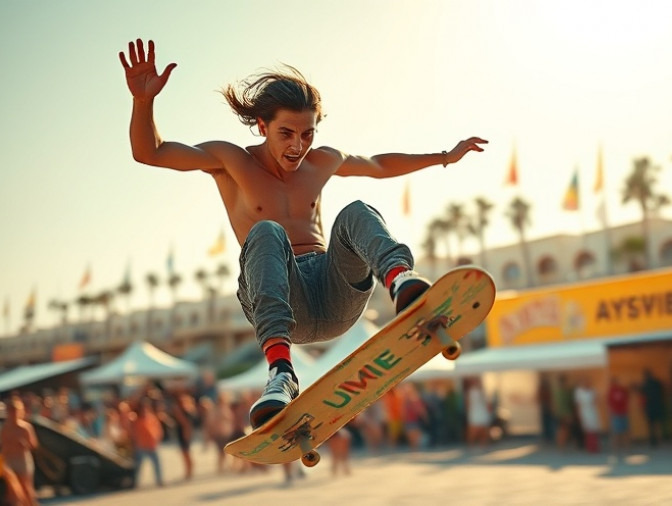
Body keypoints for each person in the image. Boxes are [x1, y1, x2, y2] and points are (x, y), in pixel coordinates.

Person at [118, 39, 486, 429]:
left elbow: (379, 164)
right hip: (279, 301)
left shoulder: (323, 160)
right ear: (262, 126)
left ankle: (401, 283)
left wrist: (445, 156)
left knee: (356, 212)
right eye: (286, 133)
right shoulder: (230, 161)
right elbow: (151, 152)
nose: (298, 146)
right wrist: (143, 103)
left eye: (307, 134)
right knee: (266, 232)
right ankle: (280, 374)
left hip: (334, 295)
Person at [0, 397, 39, 506]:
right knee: (14, 492)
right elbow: (3, 445)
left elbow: (33, 445)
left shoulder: (25, 428)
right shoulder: (5, 428)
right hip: (9, 462)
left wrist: (24, 444)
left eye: (15, 410)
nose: (13, 413)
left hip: (23, 461)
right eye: (11, 410)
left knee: (27, 489)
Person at [573, 378, 602, 453]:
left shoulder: (592, 391)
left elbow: (596, 401)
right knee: (587, 430)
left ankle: (595, 446)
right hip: (584, 412)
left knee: (594, 429)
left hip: (593, 412)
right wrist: (579, 414)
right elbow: (577, 404)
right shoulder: (578, 392)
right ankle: (589, 447)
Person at [607, 376, 630, 458]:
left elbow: (627, 397)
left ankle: (626, 449)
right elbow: (609, 403)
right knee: (616, 433)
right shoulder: (611, 391)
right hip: (616, 414)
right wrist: (611, 414)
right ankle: (615, 451)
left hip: (623, 413)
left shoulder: (622, 389)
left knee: (625, 432)